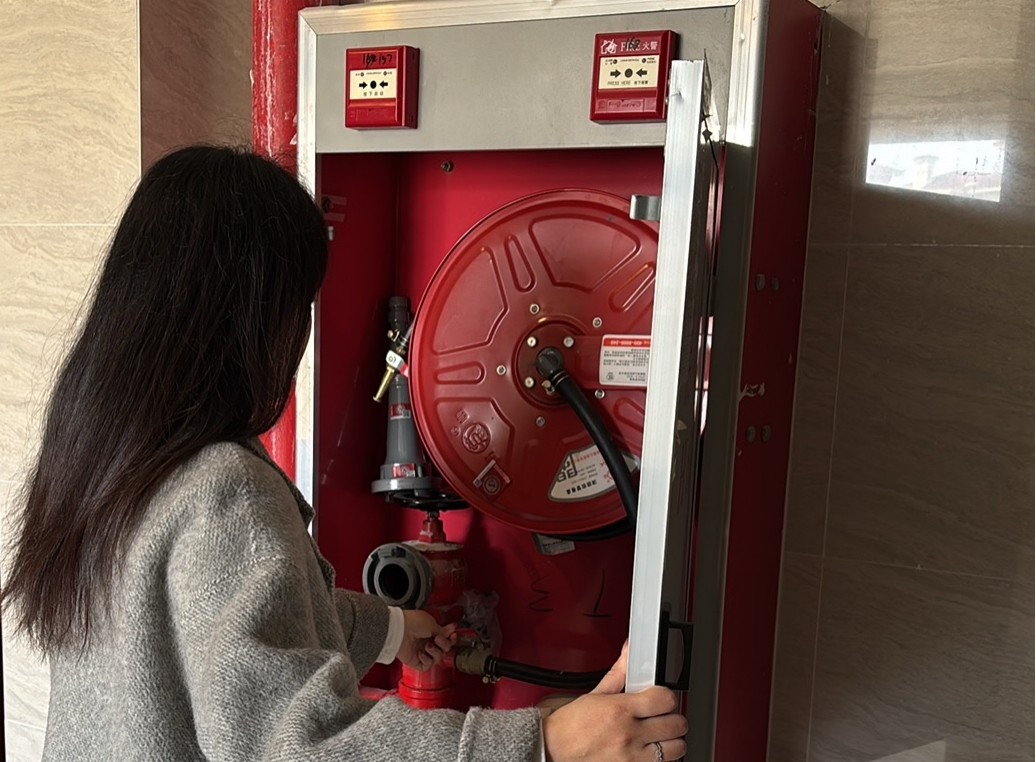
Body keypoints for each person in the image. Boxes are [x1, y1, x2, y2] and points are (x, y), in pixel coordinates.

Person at [0, 145, 688, 762]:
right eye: (299, 304)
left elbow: (215, 630)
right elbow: (299, 747)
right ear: (256, 319)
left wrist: (388, 629)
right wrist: (544, 743)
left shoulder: (104, 460)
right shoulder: (222, 488)